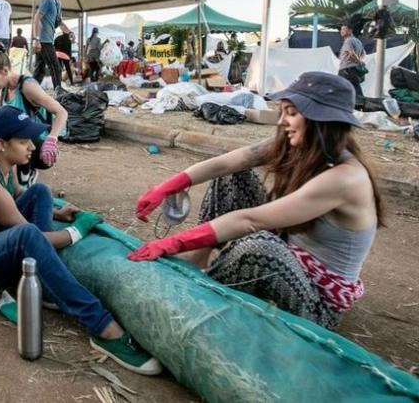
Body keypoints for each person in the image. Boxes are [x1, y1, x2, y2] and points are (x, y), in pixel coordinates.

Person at [129, 72, 381, 329]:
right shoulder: (302, 146)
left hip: (316, 303)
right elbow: (231, 161)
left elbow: (251, 221)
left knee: (260, 247)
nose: (282, 121)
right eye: (282, 111)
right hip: (290, 253)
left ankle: (198, 291)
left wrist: (171, 243)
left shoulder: (346, 178)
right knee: (232, 176)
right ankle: (198, 261)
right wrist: (166, 187)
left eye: (291, 112)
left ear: (321, 120)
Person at [0, 106, 162, 375]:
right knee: (27, 235)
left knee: (40, 191)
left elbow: (16, 201)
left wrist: (56, 212)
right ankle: (102, 326)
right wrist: (77, 231)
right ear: (1, 144)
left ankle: (45, 285)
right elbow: (30, 234)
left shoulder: (2, 167)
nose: (32, 147)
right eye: (23, 141)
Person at [0, 46, 67, 186]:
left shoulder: (27, 87)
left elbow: (62, 112)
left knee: (6, 146)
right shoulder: (4, 88)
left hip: (38, 142)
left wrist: (52, 140)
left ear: (5, 70)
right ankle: (12, 178)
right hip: (19, 139)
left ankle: (24, 175)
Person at [32, 0, 74, 90]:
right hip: (44, 40)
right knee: (56, 67)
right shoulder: (48, 1)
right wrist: (36, 39)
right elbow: (36, 18)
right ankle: (59, 93)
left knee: (39, 71)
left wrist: (69, 32)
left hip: (48, 40)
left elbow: (59, 22)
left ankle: (28, 92)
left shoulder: (58, 3)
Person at [337, 21, 366, 99]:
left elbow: (351, 53)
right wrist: (360, 62)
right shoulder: (358, 41)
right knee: (355, 89)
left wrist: (359, 62)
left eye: (344, 29)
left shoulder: (348, 40)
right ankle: (361, 104)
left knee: (339, 88)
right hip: (354, 69)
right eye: (341, 30)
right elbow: (363, 54)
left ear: (350, 30)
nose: (341, 31)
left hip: (346, 69)